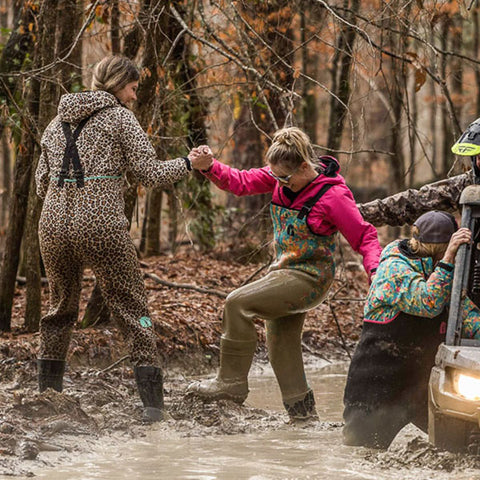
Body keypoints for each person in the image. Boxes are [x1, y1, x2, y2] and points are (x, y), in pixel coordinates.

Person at [35, 55, 212, 422]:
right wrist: (189, 164)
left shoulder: (54, 124)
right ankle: (153, 407)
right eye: (132, 88)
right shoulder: (120, 118)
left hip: (52, 226)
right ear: (117, 84)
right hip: (101, 228)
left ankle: (46, 398)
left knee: (58, 310)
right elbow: (150, 174)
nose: (134, 96)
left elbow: (40, 185)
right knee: (134, 313)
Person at [187, 127, 382, 419]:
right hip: (283, 272)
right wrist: (210, 167)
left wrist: (376, 273)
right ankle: (303, 417)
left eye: (285, 178)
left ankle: (230, 384)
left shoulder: (334, 196)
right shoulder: (281, 175)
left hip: (311, 278)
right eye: (276, 176)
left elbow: (364, 237)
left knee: (237, 303)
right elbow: (240, 182)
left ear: (305, 166)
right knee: (280, 346)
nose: (280, 183)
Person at [343, 211, 480, 448]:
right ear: (437, 249)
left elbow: (468, 315)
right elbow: (427, 303)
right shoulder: (393, 268)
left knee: (458, 452)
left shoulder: (441, 272)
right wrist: (447, 259)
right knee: (359, 458)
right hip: (377, 388)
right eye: (447, 252)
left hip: (421, 389)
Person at [358, 117, 480, 227]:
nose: (479, 162)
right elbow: (413, 202)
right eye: (478, 157)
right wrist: (355, 213)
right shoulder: (466, 185)